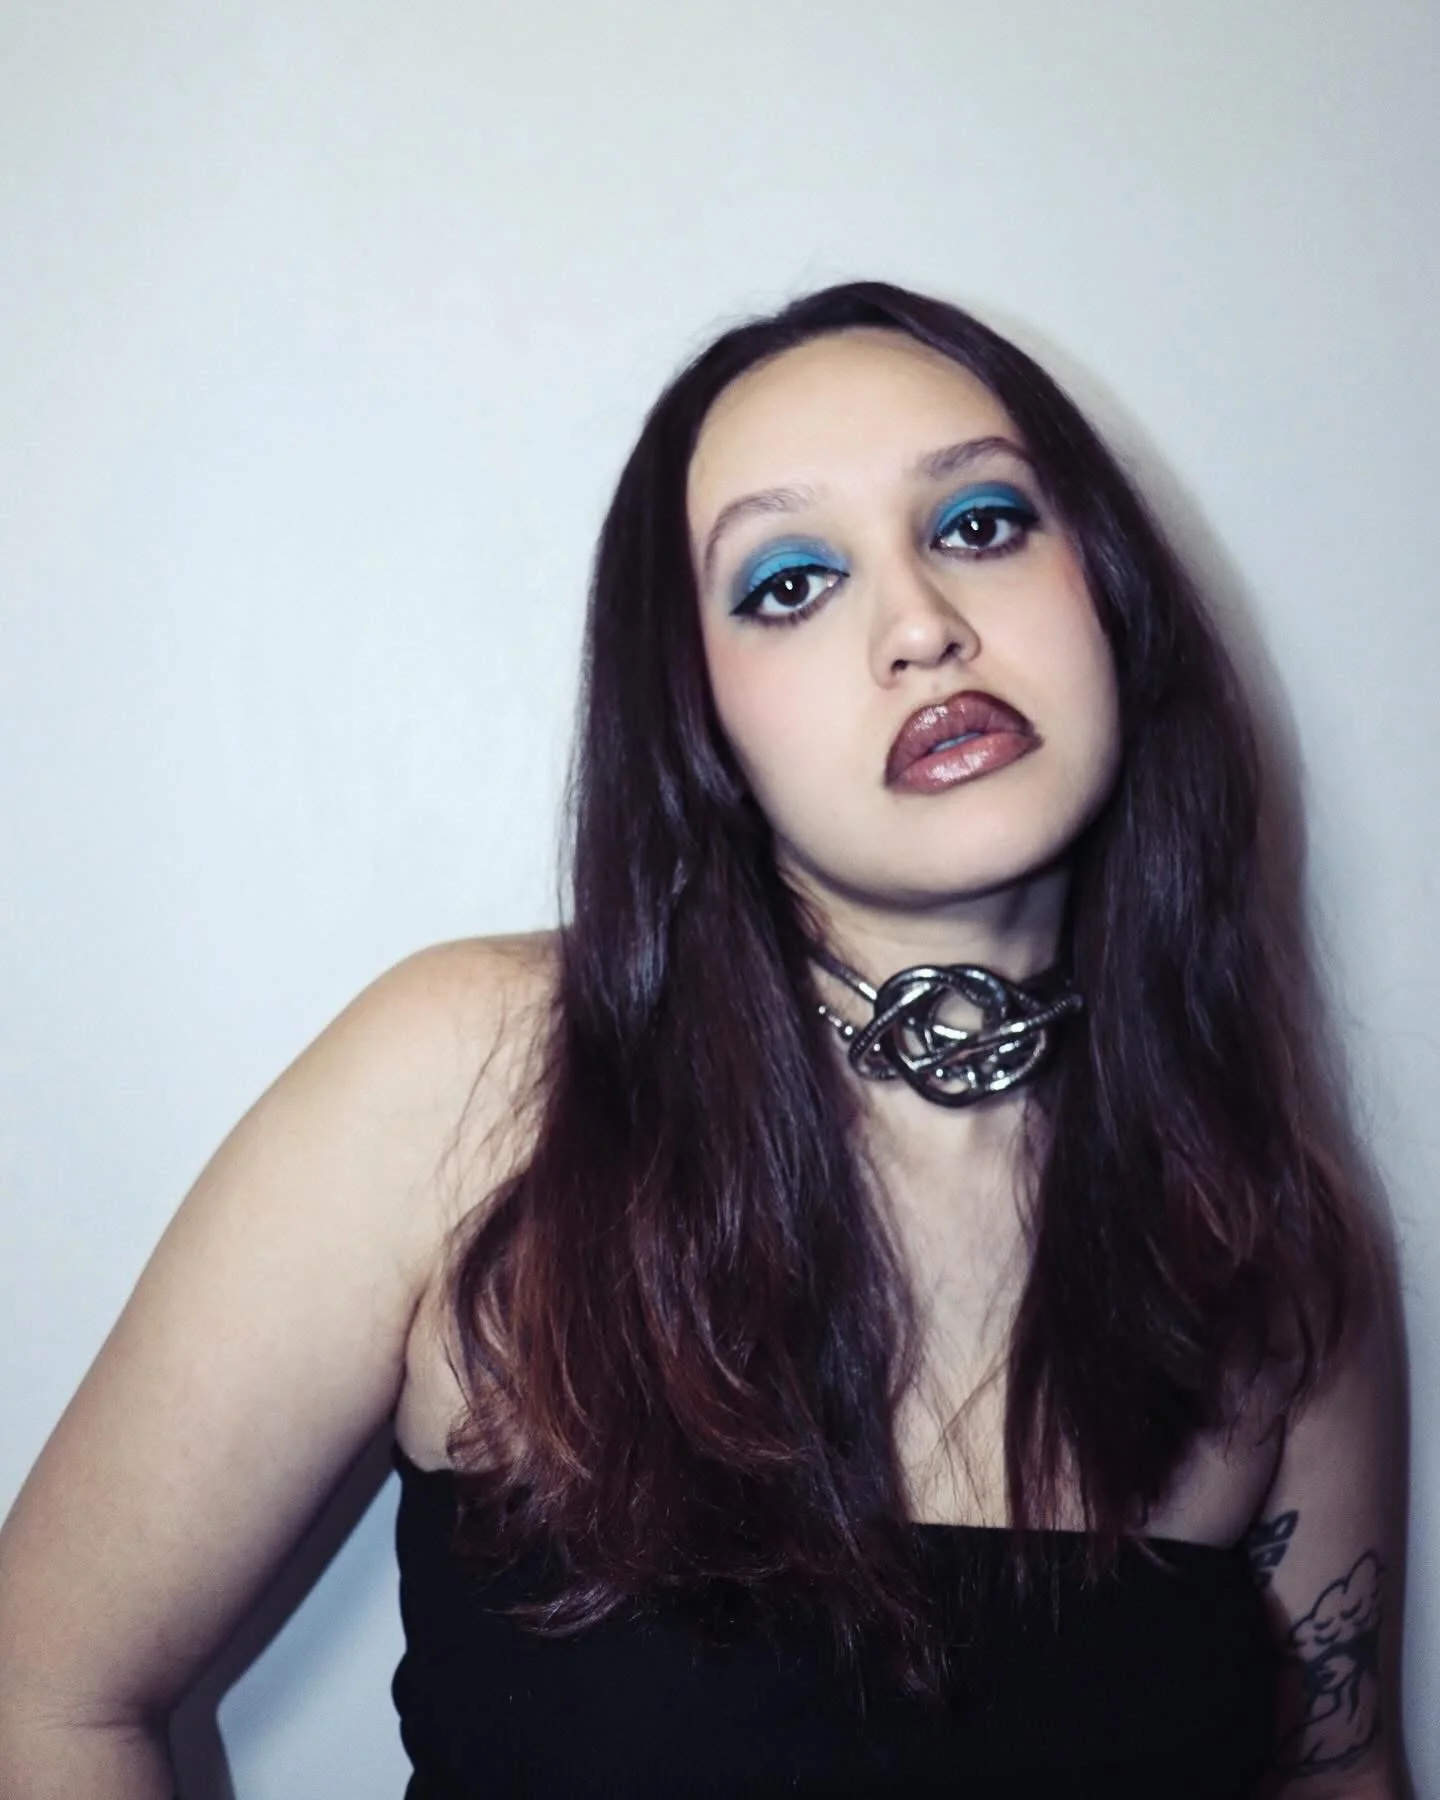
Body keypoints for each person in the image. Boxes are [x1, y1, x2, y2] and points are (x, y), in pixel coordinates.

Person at [0, 282, 1408, 1799]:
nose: (924, 624)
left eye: (984, 523)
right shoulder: (476, 1084)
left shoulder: (1266, 1229)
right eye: (791, 582)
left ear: (1113, 596)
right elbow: (47, 1695)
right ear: (701, 732)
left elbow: (1337, 1767)